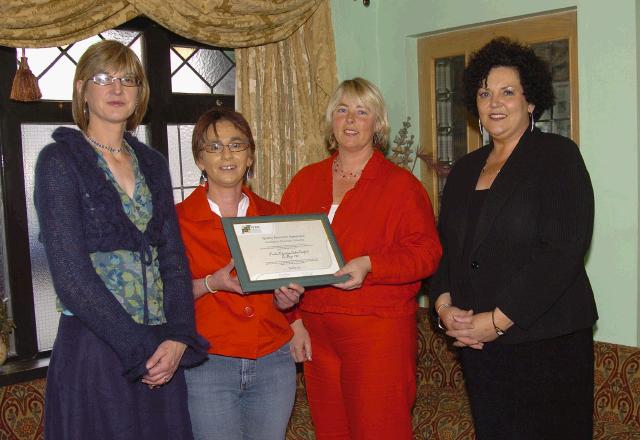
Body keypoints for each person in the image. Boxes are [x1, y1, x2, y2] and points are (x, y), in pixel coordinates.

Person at [34, 40, 208, 439]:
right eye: (103, 78)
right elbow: (71, 278)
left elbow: (174, 259)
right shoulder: (59, 161)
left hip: (161, 348)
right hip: (96, 351)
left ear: (139, 93)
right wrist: (140, 348)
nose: (116, 89)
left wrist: (179, 336)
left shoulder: (152, 163)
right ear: (81, 89)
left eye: (127, 79)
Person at [429, 37, 598, 440]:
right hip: (479, 346)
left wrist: (499, 321)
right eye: (485, 93)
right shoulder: (465, 170)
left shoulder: (558, 156)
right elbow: (444, 250)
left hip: (546, 342)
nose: (495, 103)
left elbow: (563, 251)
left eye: (508, 92)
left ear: (531, 101)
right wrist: (443, 305)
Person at [280, 77, 442, 439]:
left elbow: (427, 254)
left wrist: (371, 264)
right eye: (342, 110)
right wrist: (293, 321)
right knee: (331, 432)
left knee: (380, 431)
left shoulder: (401, 186)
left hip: (377, 333)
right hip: (317, 334)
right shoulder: (304, 181)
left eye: (361, 111)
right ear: (330, 122)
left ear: (378, 124)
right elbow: (284, 257)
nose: (350, 120)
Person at [176, 108, 304, 440]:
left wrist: (287, 299)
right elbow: (165, 297)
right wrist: (210, 283)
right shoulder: (176, 221)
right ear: (200, 160)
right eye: (214, 147)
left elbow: (286, 290)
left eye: (236, 145)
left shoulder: (276, 215)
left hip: (273, 362)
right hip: (208, 363)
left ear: (250, 156)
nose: (227, 154)